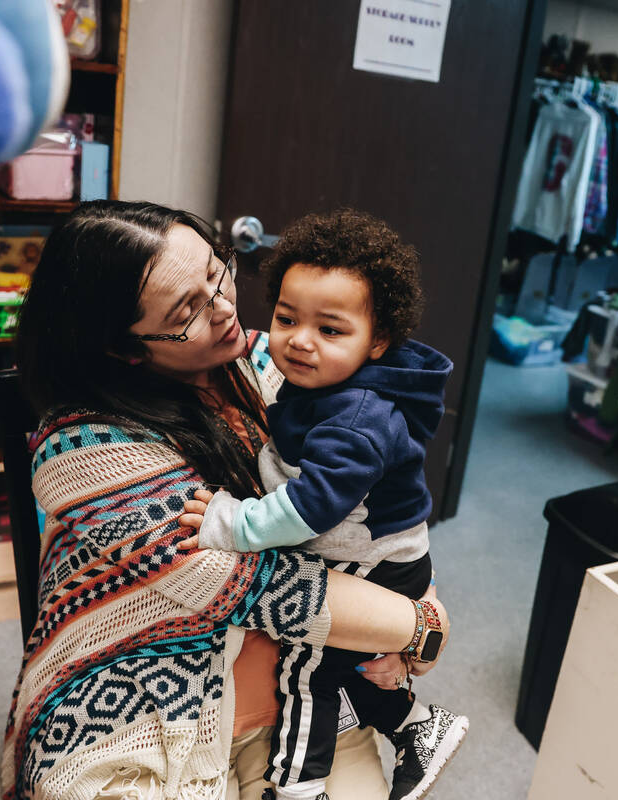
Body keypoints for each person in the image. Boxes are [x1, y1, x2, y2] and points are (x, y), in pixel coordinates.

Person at [1, 200, 452, 800]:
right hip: (141, 710)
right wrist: (417, 624)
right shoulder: (83, 450)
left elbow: (386, 505)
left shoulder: (279, 362)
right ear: (125, 349)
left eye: (219, 273)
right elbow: (256, 583)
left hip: (305, 690)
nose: (224, 309)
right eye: (188, 309)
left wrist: (418, 599)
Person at [176, 210, 468, 800]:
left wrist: (233, 522)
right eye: (286, 318)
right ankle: (416, 727)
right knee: (346, 667)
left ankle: (298, 786)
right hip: (375, 551)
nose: (299, 340)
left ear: (378, 342)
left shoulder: (356, 418)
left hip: (372, 557)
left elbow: (309, 508)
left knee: (307, 669)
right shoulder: (311, 379)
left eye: (330, 330)